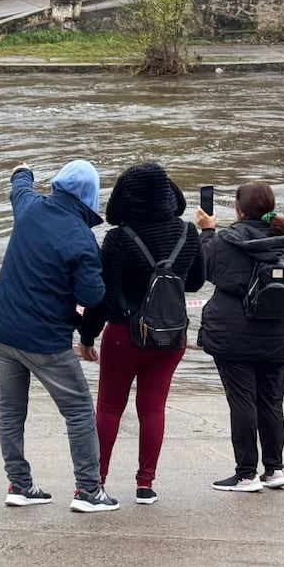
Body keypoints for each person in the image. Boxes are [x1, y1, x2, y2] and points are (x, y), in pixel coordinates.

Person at [0, 159, 119, 513]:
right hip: (44, 339)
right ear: (91, 196)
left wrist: (22, 170)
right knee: (78, 411)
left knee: (11, 410)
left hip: (2, 330)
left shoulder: (30, 207)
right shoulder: (81, 238)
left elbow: (20, 187)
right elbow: (93, 296)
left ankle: (19, 484)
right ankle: (89, 491)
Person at [78, 163, 205, 506]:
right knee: (153, 409)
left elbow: (104, 297)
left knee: (108, 408)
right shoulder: (188, 233)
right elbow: (193, 283)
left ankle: (94, 484)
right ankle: (145, 485)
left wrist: (87, 337)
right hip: (172, 336)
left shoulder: (119, 238)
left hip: (124, 336)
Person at [195, 181, 284, 492]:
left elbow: (202, 270)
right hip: (277, 336)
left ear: (239, 209)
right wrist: (279, 317)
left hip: (231, 336)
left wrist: (207, 231)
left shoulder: (223, 242)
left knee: (242, 401)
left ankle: (246, 473)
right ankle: (273, 469)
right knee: (272, 402)